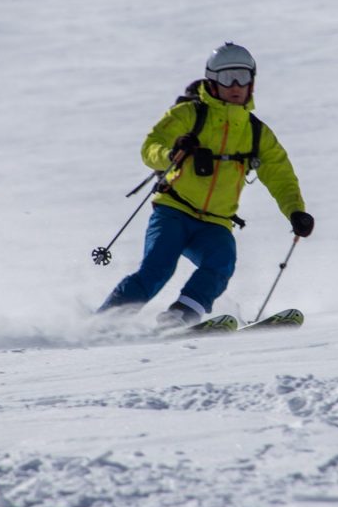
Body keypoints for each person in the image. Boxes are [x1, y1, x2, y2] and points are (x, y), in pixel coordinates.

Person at [98, 42, 314, 327]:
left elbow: (279, 173)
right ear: (212, 81)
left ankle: (180, 316)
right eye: (227, 77)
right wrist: (170, 154)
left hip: (215, 222)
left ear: (252, 82)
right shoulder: (188, 115)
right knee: (157, 269)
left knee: (222, 262)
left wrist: (295, 211)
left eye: (243, 77)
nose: (235, 85)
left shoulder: (256, 132)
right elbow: (150, 148)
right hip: (173, 210)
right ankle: (105, 323)